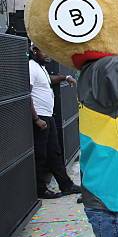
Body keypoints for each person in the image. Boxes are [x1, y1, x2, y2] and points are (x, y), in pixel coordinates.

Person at [29, 45, 81, 199]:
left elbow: (48, 80)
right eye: (44, 50)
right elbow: (27, 93)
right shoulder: (31, 67)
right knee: (41, 155)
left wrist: (65, 77)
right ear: (35, 51)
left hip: (47, 116)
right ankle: (41, 189)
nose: (47, 54)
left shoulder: (40, 68)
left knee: (55, 152)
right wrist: (36, 119)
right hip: (40, 117)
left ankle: (66, 185)